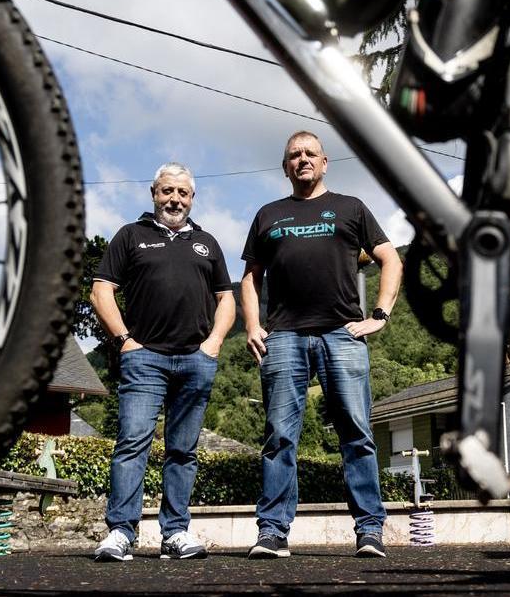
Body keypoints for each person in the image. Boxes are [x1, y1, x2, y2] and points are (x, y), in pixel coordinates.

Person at [240, 130, 402, 559]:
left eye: (311, 153)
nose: (303, 159)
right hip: (285, 336)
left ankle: (369, 530)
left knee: (356, 433)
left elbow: (390, 257)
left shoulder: (351, 208)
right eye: (294, 154)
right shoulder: (268, 214)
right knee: (279, 437)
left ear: (325, 162)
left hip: (342, 334)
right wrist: (253, 325)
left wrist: (380, 317)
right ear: (285, 166)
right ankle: (272, 532)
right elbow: (251, 276)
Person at [91, 162, 235, 562]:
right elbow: (102, 291)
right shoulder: (131, 236)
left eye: (183, 193)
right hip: (145, 359)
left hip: (195, 360)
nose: (175, 199)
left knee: (183, 450)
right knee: (132, 443)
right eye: (167, 191)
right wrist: (125, 340)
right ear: (153, 192)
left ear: (192, 198)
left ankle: (175, 533)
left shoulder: (207, 242)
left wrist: (214, 344)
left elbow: (227, 298)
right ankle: (121, 532)